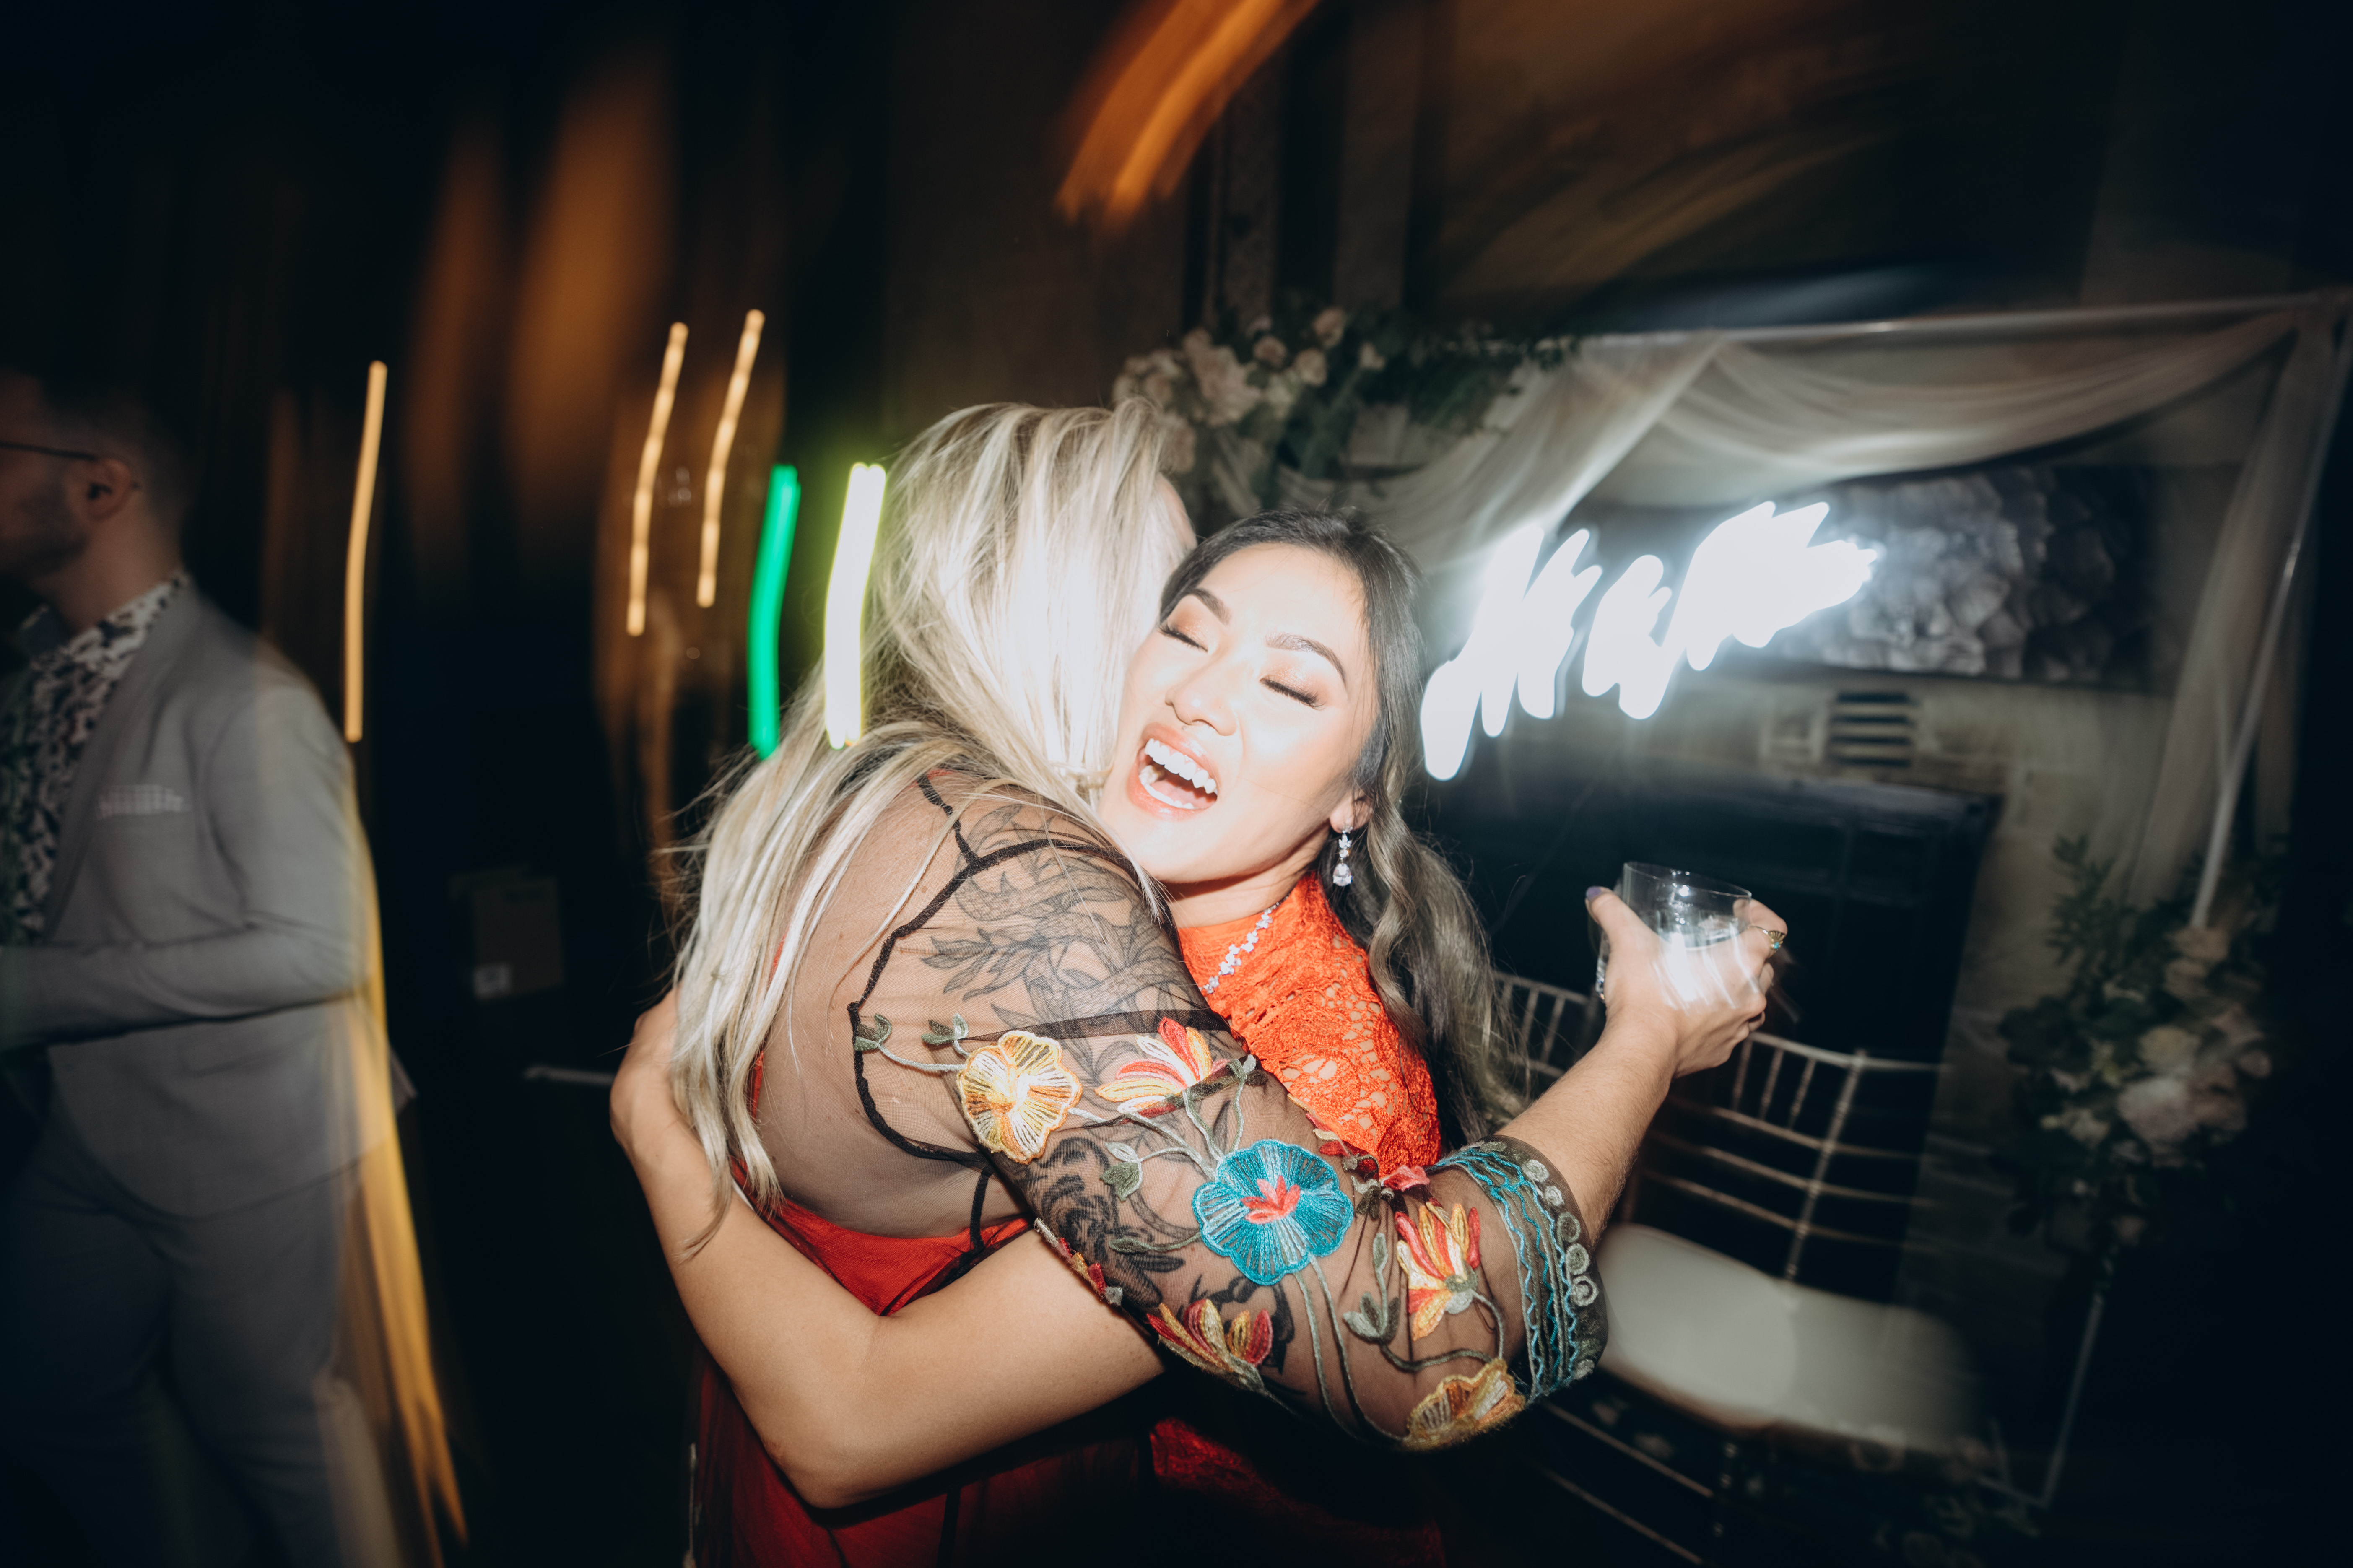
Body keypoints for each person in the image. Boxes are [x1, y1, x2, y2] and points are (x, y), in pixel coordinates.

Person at [611, 402, 1782, 1561]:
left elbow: (1423, 1343)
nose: (1197, 694)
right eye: (1176, 625)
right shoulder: (1035, 896)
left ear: (1355, 797)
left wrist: (1647, 1034)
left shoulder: (1290, 1047)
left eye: (1292, 687)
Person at [0, 366, 383, 1568]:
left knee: (276, 1422)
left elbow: (324, 945)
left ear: (100, 487)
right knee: (45, 1389)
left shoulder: (244, 698)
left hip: (250, 1141)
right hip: (89, 1131)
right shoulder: (33, 678)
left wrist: (35, 992)